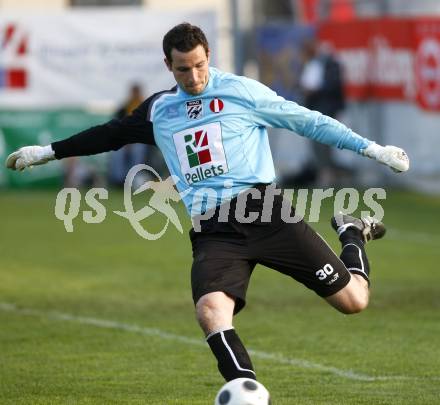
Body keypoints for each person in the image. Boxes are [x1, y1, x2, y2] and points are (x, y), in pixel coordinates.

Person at [5, 23, 409, 383]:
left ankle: (352, 232)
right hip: (214, 230)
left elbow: (309, 121)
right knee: (211, 313)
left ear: (208, 56)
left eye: (199, 65)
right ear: (168, 65)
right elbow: (109, 135)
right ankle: (244, 389)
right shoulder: (160, 110)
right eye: (183, 68)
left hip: (267, 214)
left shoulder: (241, 91)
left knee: (354, 302)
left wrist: (372, 149)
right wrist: (46, 152)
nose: (194, 76)